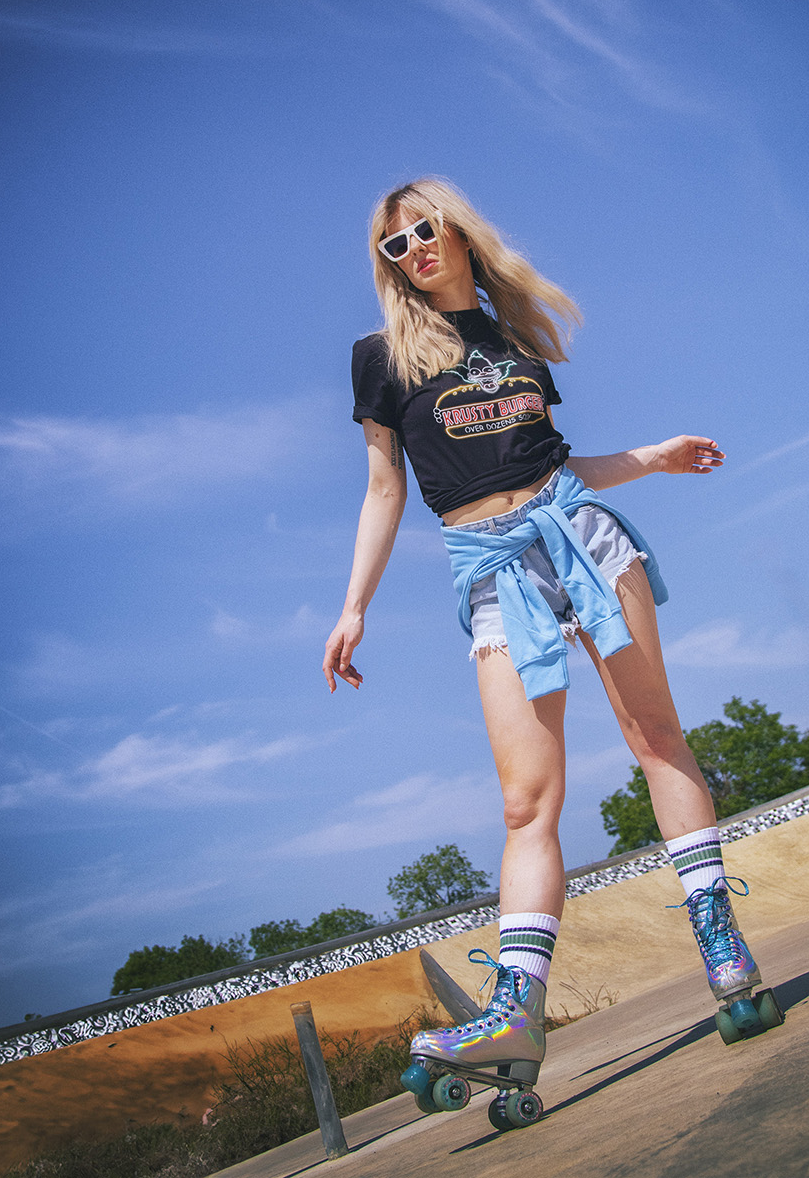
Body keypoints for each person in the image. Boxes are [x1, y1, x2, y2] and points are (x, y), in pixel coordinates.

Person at [323, 176, 767, 1098]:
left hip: (581, 537)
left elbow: (560, 464)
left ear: (458, 232)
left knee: (656, 736)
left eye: (425, 231)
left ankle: (721, 943)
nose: (414, 251)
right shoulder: (381, 357)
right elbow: (384, 489)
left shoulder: (515, 343)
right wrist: (354, 606)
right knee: (527, 802)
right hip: (491, 570)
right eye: (395, 245)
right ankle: (518, 1014)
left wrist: (654, 458)